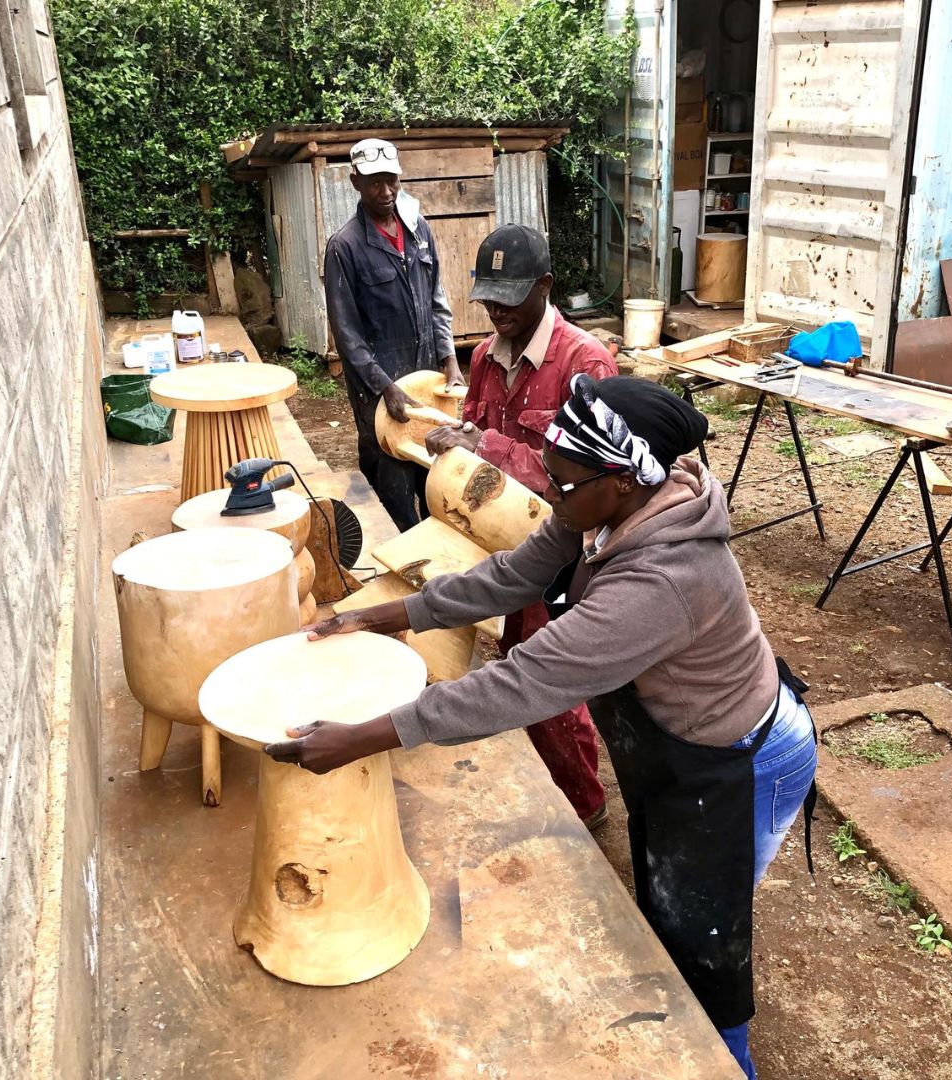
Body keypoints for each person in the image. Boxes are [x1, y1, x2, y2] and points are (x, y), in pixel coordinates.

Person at [265, 375, 818, 1079]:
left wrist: (360, 736)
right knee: (667, 904)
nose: (548, 498)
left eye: (561, 485)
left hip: (742, 759)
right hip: (678, 744)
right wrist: (384, 612)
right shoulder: (602, 497)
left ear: (618, 482)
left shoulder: (664, 581)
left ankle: (726, 1061)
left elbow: (520, 683)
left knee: (704, 945)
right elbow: (512, 575)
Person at [423, 224, 616, 827]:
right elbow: (476, 452)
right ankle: (557, 791)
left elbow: (599, 483)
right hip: (498, 545)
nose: (497, 308)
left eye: (511, 294)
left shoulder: (587, 364)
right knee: (506, 658)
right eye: (488, 295)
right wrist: (454, 448)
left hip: (564, 551)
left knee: (546, 679)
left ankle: (585, 807)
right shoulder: (481, 358)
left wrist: (490, 445)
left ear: (545, 287)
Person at [324, 138, 464, 531]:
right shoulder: (345, 247)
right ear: (355, 182)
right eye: (373, 183)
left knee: (433, 472)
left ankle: (438, 561)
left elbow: (437, 300)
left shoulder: (419, 231)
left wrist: (450, 361)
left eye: (391, 181)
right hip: (377, 391)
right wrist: (385, 387)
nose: (385, 192)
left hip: (422, 380)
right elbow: (347, 335)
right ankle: (406, 557)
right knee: (392, 483)